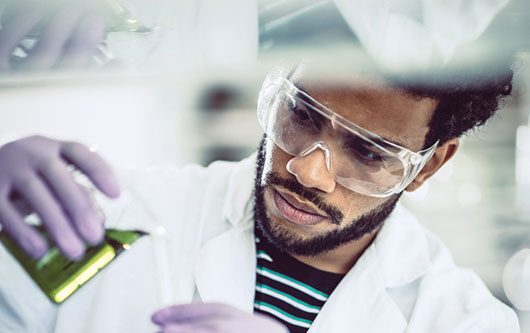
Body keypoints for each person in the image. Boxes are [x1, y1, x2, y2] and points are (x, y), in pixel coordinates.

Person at [0, 59, 520, 332]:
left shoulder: (461, 322)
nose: (308, 170)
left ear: (429, 165)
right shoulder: (116, 213)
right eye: (301, 115)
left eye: (367, 153)